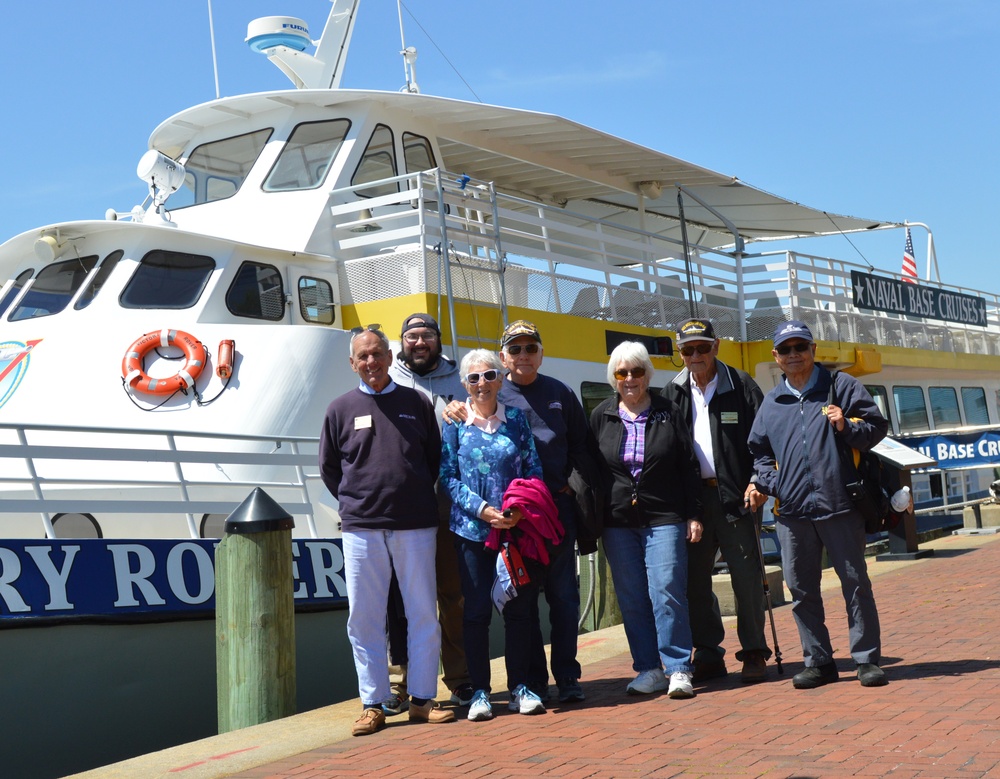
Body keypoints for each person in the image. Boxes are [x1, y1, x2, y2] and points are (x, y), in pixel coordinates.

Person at [443, 320, 596, 704]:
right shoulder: (467, 411)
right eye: (516, 350)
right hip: (483, 527)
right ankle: (514, 684)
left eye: (531, 348)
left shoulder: (554, 396)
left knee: (557, 600)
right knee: (491, 608)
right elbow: (446, 475)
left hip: (539, 515)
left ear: (540, 353)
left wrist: (556, 496)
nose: (523, 355)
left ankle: (560, 679)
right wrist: (485, 510)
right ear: (504, 357)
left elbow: (577, 450)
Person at [318, 325, 456, 737]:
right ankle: (373, 703)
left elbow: (433, 459)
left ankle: (422, 700)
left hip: (415, 524)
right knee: (364, 618)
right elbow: (330, 469)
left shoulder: (416, 401)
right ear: (352, 363)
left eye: (377, 354)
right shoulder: (339, 409)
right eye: (363, 356)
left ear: (389, 356)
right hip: (362, 528)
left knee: (421, 614)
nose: (371, 362)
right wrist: (359, 501)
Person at [747, 320, 889, 689]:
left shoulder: (841, 387)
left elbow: (875, 429)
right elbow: (759, 452)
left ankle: (866, 659)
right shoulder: (772, 402)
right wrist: (776, 484)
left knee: (855, 584)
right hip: (793, 513)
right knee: (801, 590)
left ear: (813, 350)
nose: (794, 355)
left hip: (840, 505)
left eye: (801, 347)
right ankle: (818, 662)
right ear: (776, 357)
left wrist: (846, 427)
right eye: (787, 350)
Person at [440, 349, 549, 721]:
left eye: (488, 376)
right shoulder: (454, 425)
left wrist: (517, 510)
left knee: (519, 611)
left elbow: (534, 469)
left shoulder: (516, 420)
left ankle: (520, 687)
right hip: (471, 532)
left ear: (500, 379)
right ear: (464, 384)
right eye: (474, 378)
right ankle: (481, 693)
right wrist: (482, 510)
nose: (482, 384)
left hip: (513, 532)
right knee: (476, 613)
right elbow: (448, 478)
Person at [590, 341, 703, 699]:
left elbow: (688, 465)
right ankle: (648, 668)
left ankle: (678, 668)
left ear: (647, 375)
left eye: (637, 371)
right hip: (618, 521)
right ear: (613, 377)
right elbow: (592, 469)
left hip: (664, 515)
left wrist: (693, 513)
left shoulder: (667, 411)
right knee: (632, 597)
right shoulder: (602, 415)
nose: (630, 379)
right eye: (622, 373)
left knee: (666, 590)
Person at [661, 318, 772, 685]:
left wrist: (759, 481)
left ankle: (754, 651)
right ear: (680, 353)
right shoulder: (672, 393)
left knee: (747, 578)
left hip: (738, 497)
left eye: (702, 348)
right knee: (694, 581)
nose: (695, 355)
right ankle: (708, 651)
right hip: (694, 500)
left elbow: (763, 441)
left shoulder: (741, 385)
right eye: (688, 350)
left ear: (716, 346)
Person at [383, 313, 473, 714]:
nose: (419, 342)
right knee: (402, 601)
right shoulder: (387, 381)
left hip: (450, 510)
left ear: (439, 340)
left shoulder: (463, 380)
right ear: (401, 342)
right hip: (403, 513)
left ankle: (459, 680)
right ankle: (401, 685)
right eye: (411, 336)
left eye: (427, 336)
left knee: (453, 600)